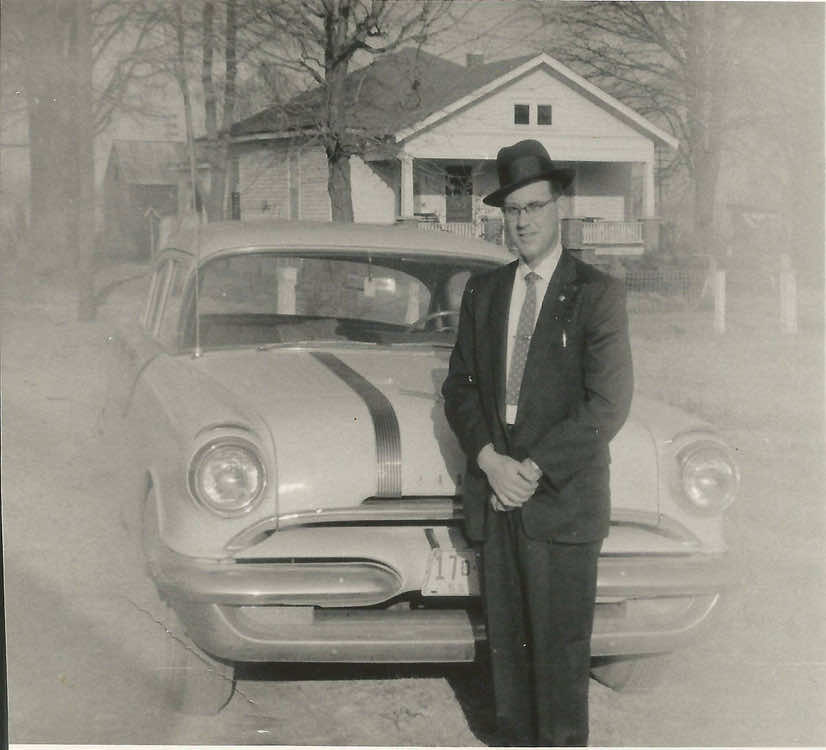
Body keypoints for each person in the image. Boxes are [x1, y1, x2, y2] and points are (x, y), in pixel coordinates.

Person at [442, 139, 633, 746]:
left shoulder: (597, 293)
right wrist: (489, 459)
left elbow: (608, 404)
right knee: (509, 664)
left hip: (562, 507)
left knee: (558, 662)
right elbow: (460, 387)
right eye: (512, 209)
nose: (523, 220)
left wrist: (532, 468)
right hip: (499, 505)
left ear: (559, 207)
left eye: (535, 206)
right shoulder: (485, 292)